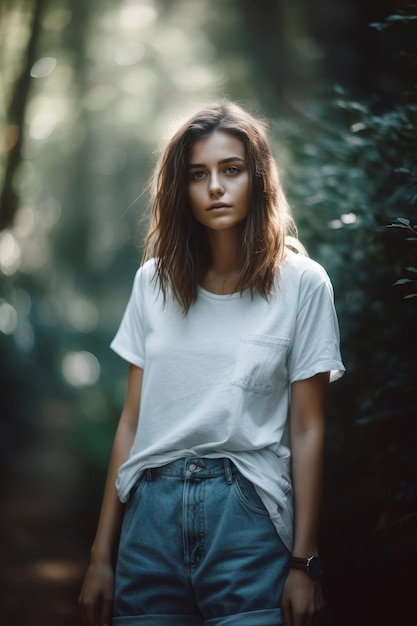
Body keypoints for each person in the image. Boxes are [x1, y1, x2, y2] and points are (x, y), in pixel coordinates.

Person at [79, 100, 345, 626]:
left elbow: (309, 427)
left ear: (259, 177)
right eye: (198, 175)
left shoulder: (303, 283)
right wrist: (100, 558)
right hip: (148, 521)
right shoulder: (151, 283)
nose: (216, 187)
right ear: (182, 188)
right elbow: (131, 421)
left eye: (232, 170)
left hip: (247, 517)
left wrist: (304, 562)